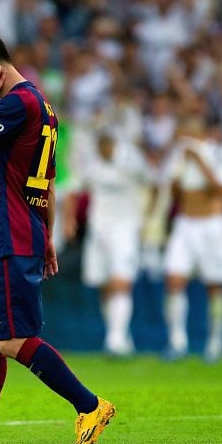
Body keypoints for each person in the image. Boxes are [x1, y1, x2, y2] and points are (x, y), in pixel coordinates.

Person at [0, 31, 114, 444]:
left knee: (11, 338)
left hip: (7, 233)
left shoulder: (15, 103)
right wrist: (46, 232)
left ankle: (90, 406)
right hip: (12, 229)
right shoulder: (42, 105)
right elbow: (44, 179)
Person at [66, 130, 154, 357]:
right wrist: (69, 221)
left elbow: (153, 184)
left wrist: (146, 217)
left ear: (114, 145)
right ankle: (120, 336)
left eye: (108, 146)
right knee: (104, 285)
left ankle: (114, 339)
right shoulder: (93, 165)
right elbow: (74, 190)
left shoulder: (132, 161)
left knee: (121, 281)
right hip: (98, 231)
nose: (105, 151)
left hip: (125, 229)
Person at [161, 118, 222, 363]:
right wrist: (178, 173)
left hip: (213, 224)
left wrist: (200, 161)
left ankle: (215, 344)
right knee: (174, 278)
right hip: (185, 223)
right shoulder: (178, 155)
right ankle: (177, 342)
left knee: (214, 285)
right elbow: (174, 193)